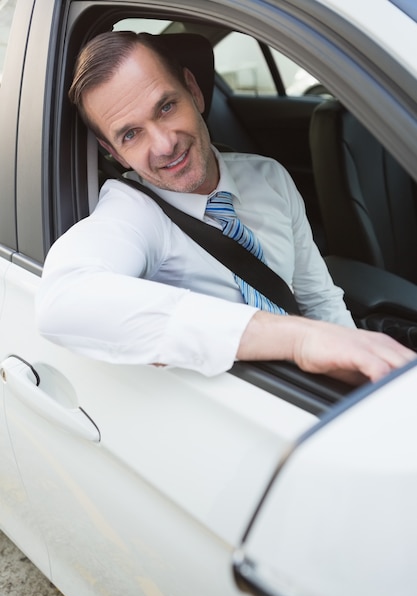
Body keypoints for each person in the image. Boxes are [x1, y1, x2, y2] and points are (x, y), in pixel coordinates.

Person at [36, 31, 415, 385]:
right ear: (113, 152)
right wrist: (296, 340)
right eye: (131, 134)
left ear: (194, 91)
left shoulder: (269, 177)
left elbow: (317, 297)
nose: (165, 144)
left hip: (311, 393)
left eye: (166, 107)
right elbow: (62, 300)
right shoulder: (132, 213)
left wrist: (360, 372)